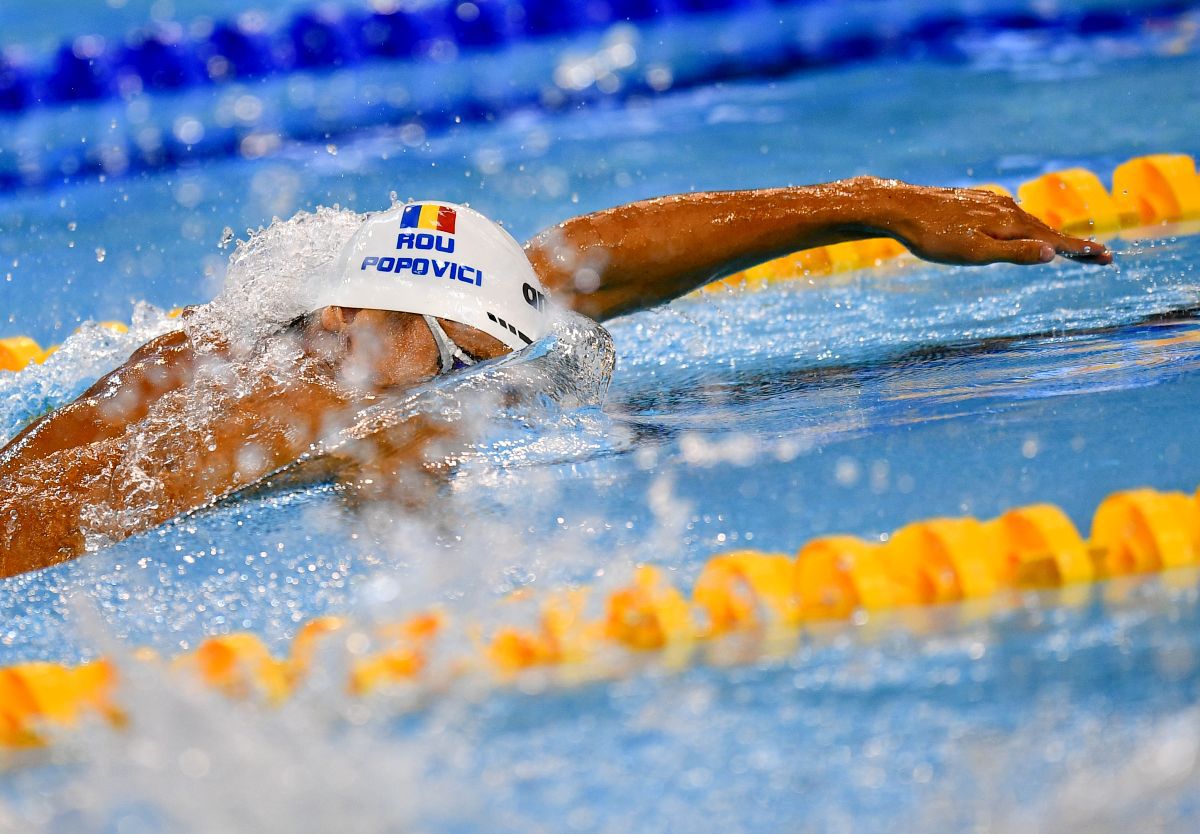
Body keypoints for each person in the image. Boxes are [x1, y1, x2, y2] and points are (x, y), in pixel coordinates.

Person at [0, 178, 1111, 576]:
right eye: (439, 359)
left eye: (474, 363)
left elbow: (585, 256)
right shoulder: (277, 404)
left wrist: (875, 205)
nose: (451, 388)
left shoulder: (365, 319)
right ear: (340, 316)